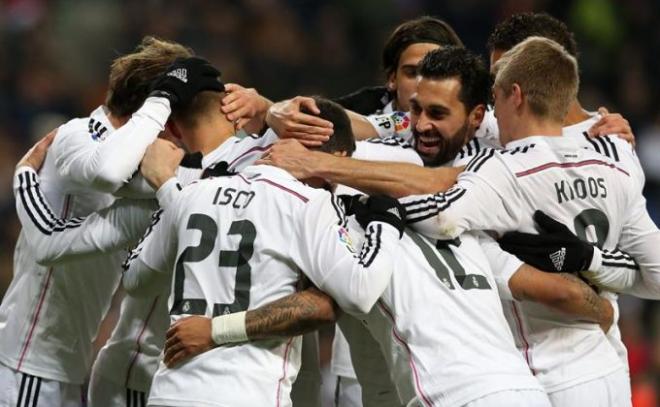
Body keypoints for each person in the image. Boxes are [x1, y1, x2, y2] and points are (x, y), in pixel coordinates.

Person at [400, 37, 650, 406]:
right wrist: (590, 260)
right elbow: (655, 273)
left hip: (547, 373)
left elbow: (439, 216)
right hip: (606, 365)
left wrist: (378, 202)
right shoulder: (616, 157)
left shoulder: (507, 169)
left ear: (515, 94)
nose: (492, 111)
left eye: (496, 95)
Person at [120, 97, 405, 407]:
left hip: (171, 392)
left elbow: (136, 280)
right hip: (248, 392)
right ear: (338, 157)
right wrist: (385, 222)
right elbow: (359, 292)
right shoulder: (309, 204)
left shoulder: (192, 193)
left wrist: (168, 192)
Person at [0, 36, 215, 407]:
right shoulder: (77, 136)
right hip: (28, 363)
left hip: (67, 364)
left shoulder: (146, 161)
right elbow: (109, 172)